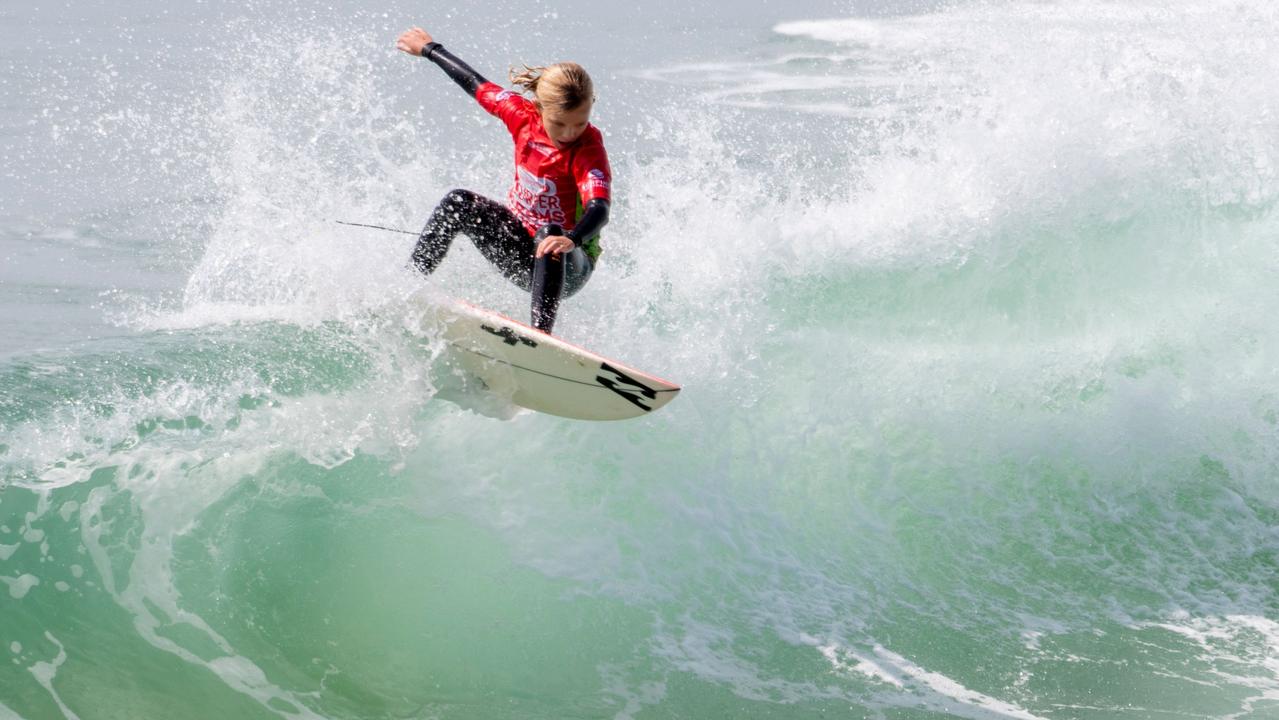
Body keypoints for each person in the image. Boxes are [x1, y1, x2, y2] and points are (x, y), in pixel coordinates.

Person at [395, 26, 612, 335]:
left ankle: (540, 338)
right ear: (539, 107)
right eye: (559, 124)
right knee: (458, 202)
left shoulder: (588, 148)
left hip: (567, 264)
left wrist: (571, 239)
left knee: (550, 233)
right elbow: (474, 82)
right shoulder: (521, 116)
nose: (569, 134)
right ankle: (406, 287)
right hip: (518, 248)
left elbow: (599, 207)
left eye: (580, 122)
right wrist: (430, 50)